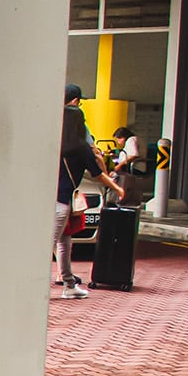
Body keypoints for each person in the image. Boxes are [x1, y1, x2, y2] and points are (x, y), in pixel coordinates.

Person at [54, 107, 125, 298]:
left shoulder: (53, 143)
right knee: (55, 243)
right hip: (62, 202)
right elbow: (98, 173)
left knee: (64, 242)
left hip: (48, 200)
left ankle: (69, 284)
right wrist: (117, 188)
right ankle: (38, 287)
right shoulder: (80, 147)